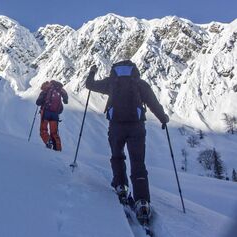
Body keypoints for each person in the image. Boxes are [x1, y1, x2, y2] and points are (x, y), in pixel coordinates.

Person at [85, 60, 169, 223]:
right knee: (138, 163)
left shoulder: (111, 82)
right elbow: (153, 103)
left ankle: (121, 186)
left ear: (115, 71)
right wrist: (163, 118)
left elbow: (90, 85)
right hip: (137, 128)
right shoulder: (140, 83)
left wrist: (92, 72)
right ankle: (142, 202)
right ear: (134, 70)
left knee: (117, 156)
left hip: (116, 127)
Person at [36, 80, 68, 151]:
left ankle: (48, 141)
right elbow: (66, 100)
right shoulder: (59, 89)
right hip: (55, 114)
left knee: (43, 130)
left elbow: (38, 102)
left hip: (46, 113)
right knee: (54, 133)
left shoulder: (45, 90)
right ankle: (58, 148)